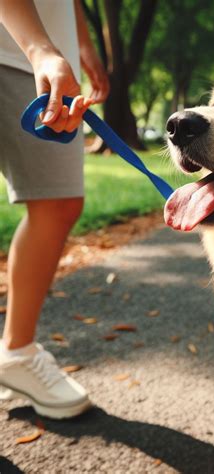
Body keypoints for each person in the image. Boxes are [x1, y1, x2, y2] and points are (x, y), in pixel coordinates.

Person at [0, 0, 109, 419]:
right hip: (31, 48)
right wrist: (40, 48)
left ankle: (17, 352)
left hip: (47, 57)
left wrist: (79, 43)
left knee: (59, 200)